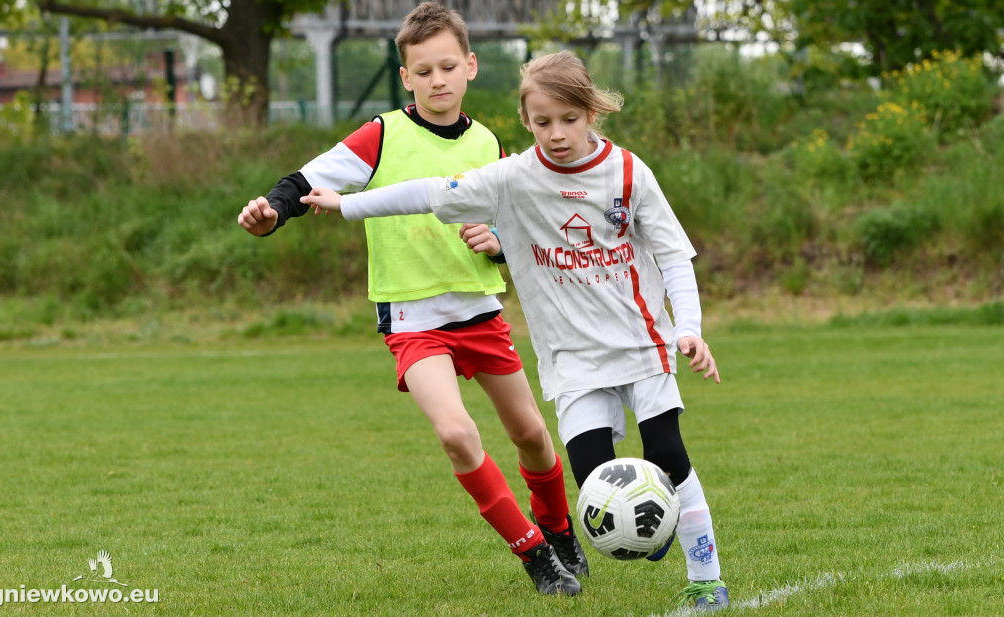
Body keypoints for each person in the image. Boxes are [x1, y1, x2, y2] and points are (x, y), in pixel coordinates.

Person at [300, 50, 730, 611]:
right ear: (526, 121)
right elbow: (428, 192)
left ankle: (706, 580)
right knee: (593, 478)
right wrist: (348, 204)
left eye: (569, 119)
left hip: (641, 341)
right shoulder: (514, 178)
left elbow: (673, 256)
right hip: (572, 358)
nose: (557, 134)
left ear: (592, 112)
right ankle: (653, 519)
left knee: (668, 452)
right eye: (543, 122)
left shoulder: (628, 172)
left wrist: (688, 328)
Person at [236, 4, 583, 597]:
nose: (437, 80)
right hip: (411, 320)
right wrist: (271, 214)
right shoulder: (382, 134)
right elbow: (304, 183)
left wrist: (498, 243)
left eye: (448, 67)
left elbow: (517, 227)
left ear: (470, 66)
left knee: (531, 434)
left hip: (479, 311)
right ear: (406, 78)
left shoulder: (488, 142)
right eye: (423, 72)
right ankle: (535, 554)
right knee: (456, 435)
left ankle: (559, 530)